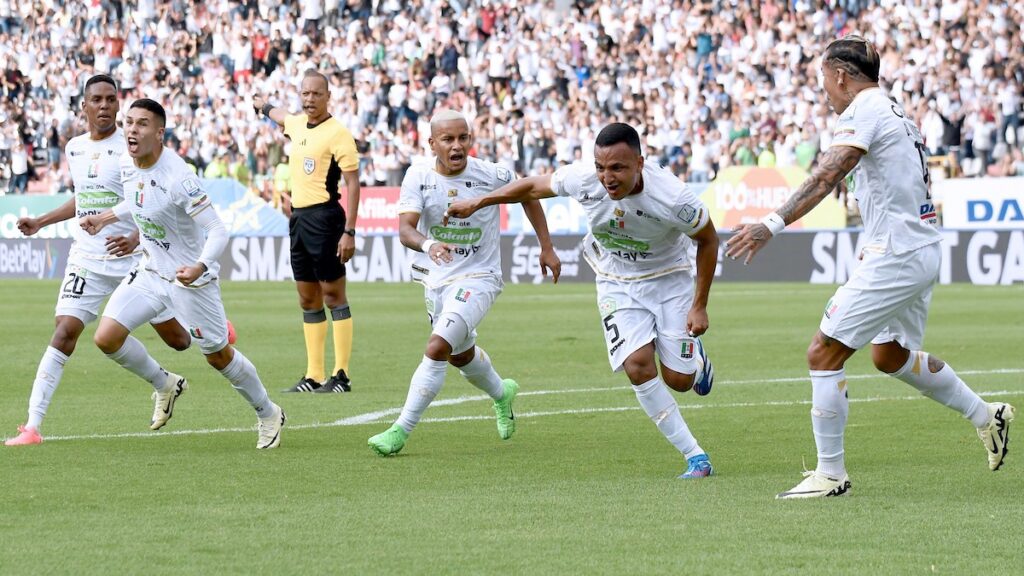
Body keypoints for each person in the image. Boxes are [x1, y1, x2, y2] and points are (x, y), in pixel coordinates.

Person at [725, 36, 1015, 499]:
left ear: (841, 76)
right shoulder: (895, 110)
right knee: (890, 356)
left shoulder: (862, 111)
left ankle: (830, 473)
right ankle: (986, 415)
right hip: (918, 246)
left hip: (896, 252)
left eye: (824, 80)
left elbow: (827, 174)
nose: (824, 91)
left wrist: (770, 224)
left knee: (823, 352)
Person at [445, 122, 719, 479]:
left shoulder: (674, 197)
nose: (608, 177)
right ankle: (695, 456)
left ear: (640, 161)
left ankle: (695, 362)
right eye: (601, 167)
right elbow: (532, 186)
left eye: (618, 168)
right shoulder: (583, 179)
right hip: (615, 279)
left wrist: (699, 304)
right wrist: (479, 202)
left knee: (679, 381)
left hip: (670, 281)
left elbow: (709, 241)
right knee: (637, 365)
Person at [79, 99, 286, 449]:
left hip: (189, 280)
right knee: (106, 337)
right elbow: (137, 196)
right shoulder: (127, 164)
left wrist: (199, 267)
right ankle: (165, 384)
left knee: (218, 357)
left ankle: (268, 413)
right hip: (150, 272)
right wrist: (105, 218)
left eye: (142, 124)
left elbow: (218, 230)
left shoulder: (179, 178)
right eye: (128, 122)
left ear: (159, 134)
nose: (131, 129)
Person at [5, 75, 192, 447]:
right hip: (87, 258)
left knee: (180, 341)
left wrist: (136, 236)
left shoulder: (132, 150)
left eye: (110, 99)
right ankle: (32, 427)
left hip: (135, 259)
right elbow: (83, 197)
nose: (104, 106)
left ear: (118, 105)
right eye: (97, 100)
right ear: (84, 106)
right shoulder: (74, 148)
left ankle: (201, 327)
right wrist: (40, 222)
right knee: (64, 332)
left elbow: (150, 197)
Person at [366, 109, 561, 456]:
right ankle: (502, 394)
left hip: (480, 277)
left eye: (463, 138)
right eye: (448, 139)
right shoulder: (418, 177)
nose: (457, 146)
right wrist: (429, 244)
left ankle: (400, 430)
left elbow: (529, 194)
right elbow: (406, 229)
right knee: (460, 355)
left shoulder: (492, 174)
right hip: (437, 278)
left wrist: (546, 247)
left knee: (437, 346)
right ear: (432, 143)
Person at [253, 69, 361, 393]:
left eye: (317, 93)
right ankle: (314, 376)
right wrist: (261, 105)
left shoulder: (338, 133)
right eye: (306, 93)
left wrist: (350, 231)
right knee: (307, 297)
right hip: (299, 220)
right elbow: (276, 113)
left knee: (333, 295)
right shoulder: (296, 124)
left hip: (327, 220)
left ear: (328, 97)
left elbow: (353, 184)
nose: (310, 99)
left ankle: (341, 374)